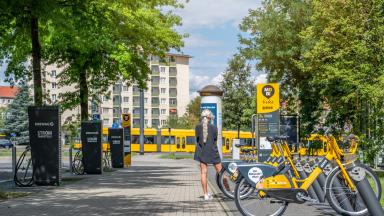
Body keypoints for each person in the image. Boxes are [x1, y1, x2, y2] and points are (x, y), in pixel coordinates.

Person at [194, 109, 222, 200]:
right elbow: (215, 140)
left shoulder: (197, 127)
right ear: (210, 118)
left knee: (203, 172)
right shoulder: (214, 128)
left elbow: (198, 139)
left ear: (202, 117)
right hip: (212, 151)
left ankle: (206, 195)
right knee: (221, 172)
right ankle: (229, 191)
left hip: (202, 151)